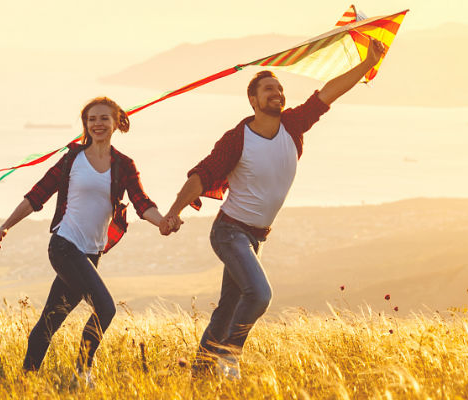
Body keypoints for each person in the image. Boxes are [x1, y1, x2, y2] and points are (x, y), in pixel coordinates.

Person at [162, 40, 389, 379]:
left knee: (226, 310)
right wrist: (174, 211)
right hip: (229, 232)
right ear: (253, 100)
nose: (277, 93)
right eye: (268, 89)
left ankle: (200, 376)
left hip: (255, 238)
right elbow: (202, 175)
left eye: (280, 89)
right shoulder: (237, 139)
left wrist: (367, 63)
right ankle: (229, 355)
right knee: (259, 294)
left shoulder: (293, 124)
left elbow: (329, 92)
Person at [0, 97, 177, 387]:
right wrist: (5, 226)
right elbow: (36, 195)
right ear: (85, 125)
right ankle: (82, 373)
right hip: (64, 246)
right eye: (91, 119)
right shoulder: (72, 159)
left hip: (91, 254)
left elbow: (142, 203)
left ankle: (24, 380)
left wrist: (163, 222)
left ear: (116, 122)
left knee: (52, 319)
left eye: (103, 118)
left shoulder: (124, 165)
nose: (97, 124)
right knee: (106, 307)